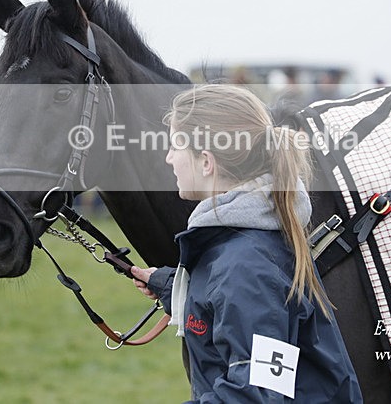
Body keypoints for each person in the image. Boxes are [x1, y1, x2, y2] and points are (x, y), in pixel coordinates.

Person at [130, 84, 362, 403]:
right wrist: (173, 287)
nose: (169, 158)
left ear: (206, 162)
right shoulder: (247, 244)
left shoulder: (245, 267)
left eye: (176, 146)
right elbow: (240, 308)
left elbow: (257, 394)